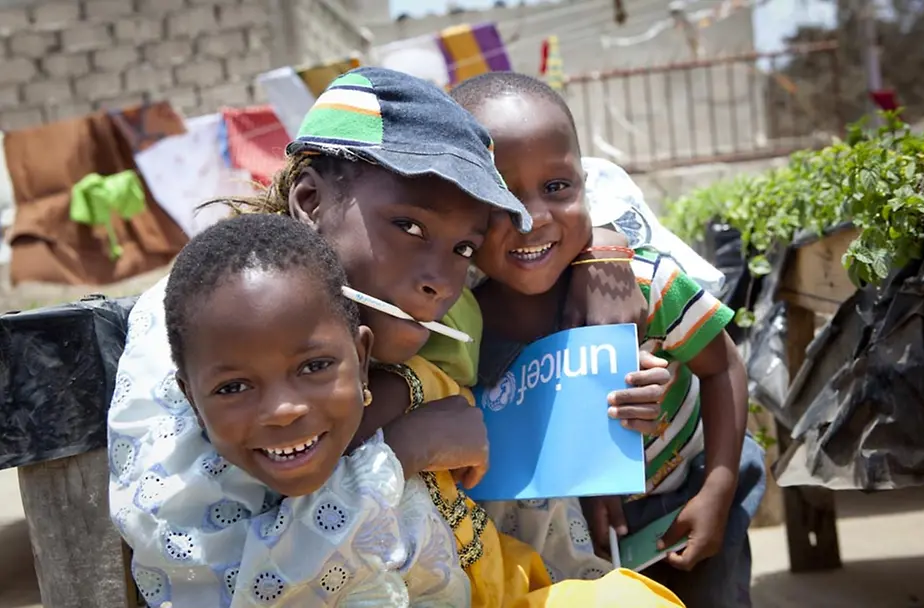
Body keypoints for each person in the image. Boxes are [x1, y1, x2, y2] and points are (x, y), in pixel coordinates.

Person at [109, 67, 684, 607]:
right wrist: (401, 450)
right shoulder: (206, 314)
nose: (441, 281)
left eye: (463, 249)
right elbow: (205, 569)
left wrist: (603, 255)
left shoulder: (425, 313)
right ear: (310, 203)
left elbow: (586, 186)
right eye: (410, 227)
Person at [450, 71, 766, 608]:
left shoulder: (645, 282)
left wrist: (718, 486)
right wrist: (594, 487)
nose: (532, 220)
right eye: (500, 199)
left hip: (692, 481)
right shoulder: (467, 326)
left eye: (556, 188)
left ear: (583, 182)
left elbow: (723, 367)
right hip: (588, 519)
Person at [116, 213, 469, 605]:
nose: (283, 410)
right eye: (233, 387)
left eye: (314, 366)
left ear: (361, 358)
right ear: (192, 401)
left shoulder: (405, 484)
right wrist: (402, 452)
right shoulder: (173, 512)